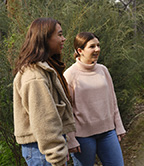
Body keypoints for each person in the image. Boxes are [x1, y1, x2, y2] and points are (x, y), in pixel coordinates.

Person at [13, 18, 76, 166]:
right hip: (42, 151)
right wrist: (57, 156)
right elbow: (45, 121)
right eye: (59, 35)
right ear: (45, 38)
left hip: (43, 149)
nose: (63, 38)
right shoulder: (35, 76)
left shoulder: (43, 69)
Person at [64, 32, 126, 166]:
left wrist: (119, 126)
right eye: (92, 46)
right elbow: (66, 111)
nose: (97, 49)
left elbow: (112, 100)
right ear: (80, 50)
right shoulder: (70, 75)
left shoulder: (103, 70)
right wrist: (71, 139)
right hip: (83, 137)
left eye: (98, 45)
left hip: (108, 132)